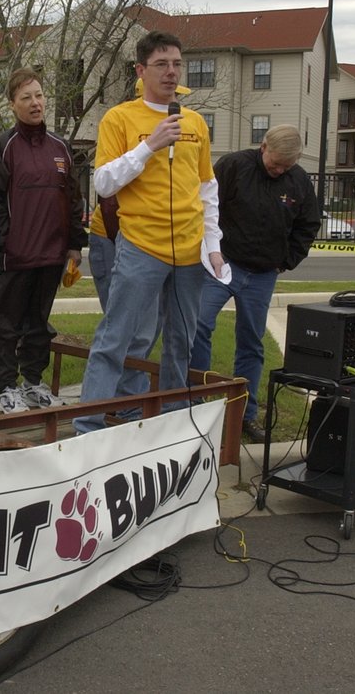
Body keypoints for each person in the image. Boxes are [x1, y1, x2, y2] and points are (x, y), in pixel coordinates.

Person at [73, 30, 224, 434]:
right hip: (141, 247)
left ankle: (173, 422)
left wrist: (214, 245)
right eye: (161, 64)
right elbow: (103, 182)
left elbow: (206, 188)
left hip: (191, 252)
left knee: (181, 342)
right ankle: (87, 425)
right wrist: (148, 146)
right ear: (141, 71)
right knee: (117, 337)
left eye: (177, 63)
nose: (171, 72)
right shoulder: (120, 118)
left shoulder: (194, 122)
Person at [188, 124, 321, 442]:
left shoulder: (299, 180)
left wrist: (286, 260)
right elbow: (205, 207)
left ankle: (244, 415)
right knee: (199, 326)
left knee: (251, 343)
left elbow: (308, 223)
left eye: (286, 166)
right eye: (276, 163)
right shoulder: (233, 166)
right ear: (263, 147)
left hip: (263, 274)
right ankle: (195, 405)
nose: (279, 170)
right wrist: (210, 251)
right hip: (222, 265)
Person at [0, 68, 88, 414]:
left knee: (39, 324)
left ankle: (33, 382)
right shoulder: (1, 148)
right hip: (14, 257)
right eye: (26, 97)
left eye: (39, 95)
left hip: (52, 255)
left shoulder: (60, 148)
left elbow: (74, 199)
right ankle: (4, 385)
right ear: (13, 104)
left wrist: (74, 244)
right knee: (6, 325)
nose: (35, 103)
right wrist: (7, 240)